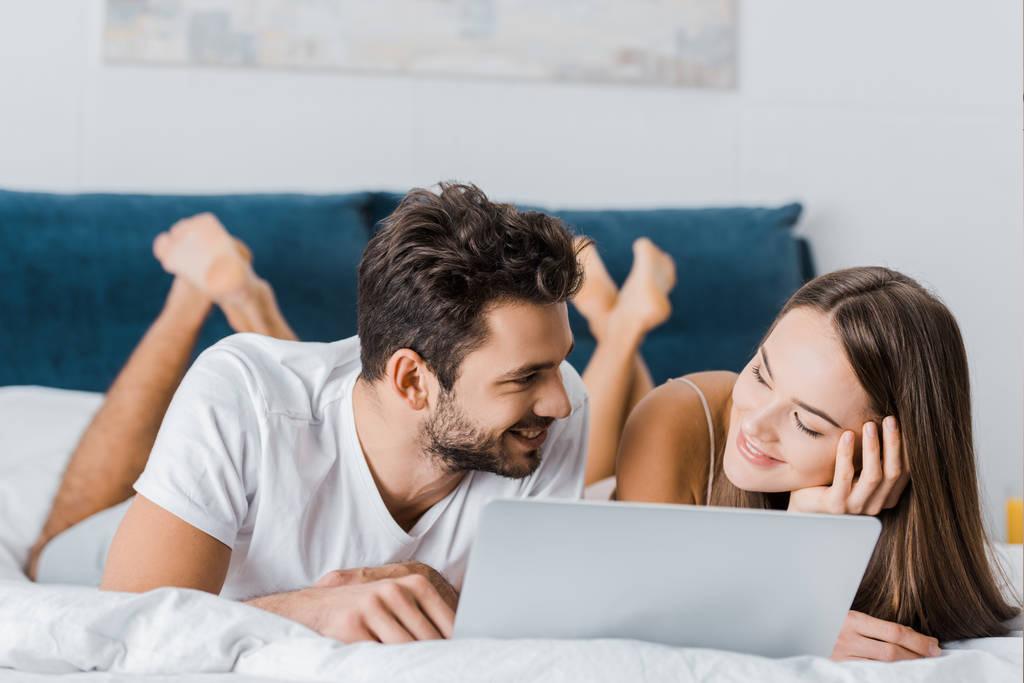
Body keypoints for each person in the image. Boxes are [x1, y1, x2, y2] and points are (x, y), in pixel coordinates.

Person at [30, 183, 662, 645]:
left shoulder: (556, 412)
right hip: (93, 550)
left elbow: (522, 631)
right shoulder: (243, 394)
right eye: (525, 377)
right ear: (413, 380)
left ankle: (246, 299)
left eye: (559, 364)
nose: (558, 400)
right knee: (48, 548)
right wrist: (311, 612)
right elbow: (123, 628)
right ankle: (192, 297)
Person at [572, 251, 1020, 661]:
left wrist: (816, 533)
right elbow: (644, 604)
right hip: (613, 489)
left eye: (807, 423)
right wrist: (796, 616)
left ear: (887, 450)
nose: (756, 424)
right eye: (761, 374)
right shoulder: (677, 420)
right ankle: (622, 324)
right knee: (589, 443)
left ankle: (614, 313)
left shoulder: (911, 548)